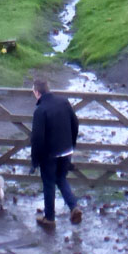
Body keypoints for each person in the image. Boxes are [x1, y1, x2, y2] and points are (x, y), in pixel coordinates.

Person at [30, 77, 82, 228]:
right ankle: (74, 207)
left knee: (48, 183)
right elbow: (75, 123)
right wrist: (72, 143)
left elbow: (37, 138)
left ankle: (50, 218)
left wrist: (35, 161)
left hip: (50, 154)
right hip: (66, 150)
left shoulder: (40, 110)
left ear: (37, 92)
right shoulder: (64, 102)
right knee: (61, 178)